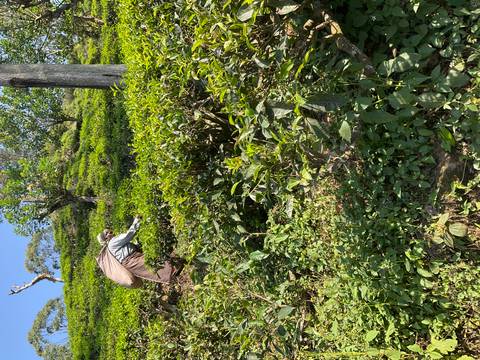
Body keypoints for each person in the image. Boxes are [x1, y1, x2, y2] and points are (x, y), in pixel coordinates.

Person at [96, 216, 183, 284]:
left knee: (151, 267)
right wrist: (137, 220)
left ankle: (175, 272)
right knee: (152, 265)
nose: (111, 231)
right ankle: (175, 271)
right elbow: (129, 235)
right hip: (131, 260)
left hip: (130, 262)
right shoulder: (112, 242)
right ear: (106, 237)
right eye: (107, 232)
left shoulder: (111, 246)